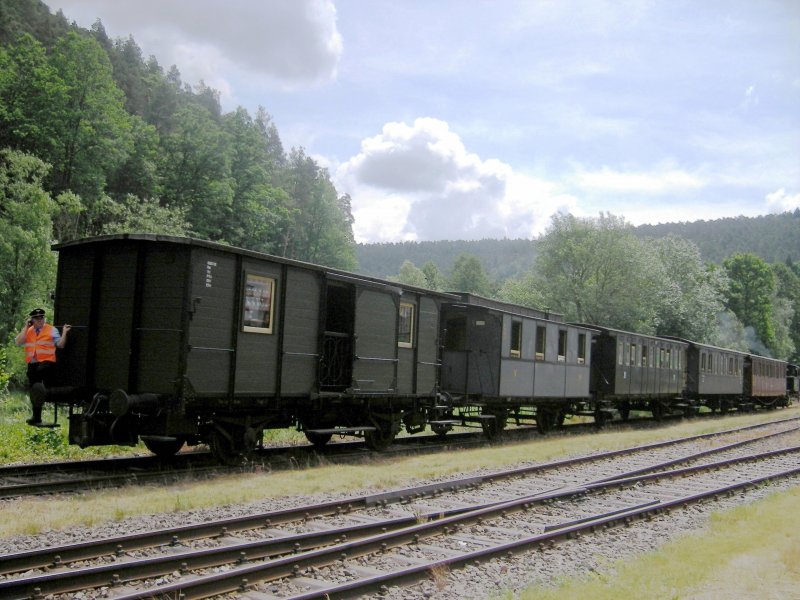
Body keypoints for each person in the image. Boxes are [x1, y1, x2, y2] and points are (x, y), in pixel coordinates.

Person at [14, 308, 71, 425]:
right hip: (32, 363)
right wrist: (25, 327)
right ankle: (36, 417)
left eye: (42, 317)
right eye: (37, 318)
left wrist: (64, 332)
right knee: (34, 389)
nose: (40, 320)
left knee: (40, 375)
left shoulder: (51, 330)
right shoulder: (29, 330)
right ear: (32, 320)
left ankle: (48, 392)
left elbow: (60, 345)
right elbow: (18, 342)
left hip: (47, 362)